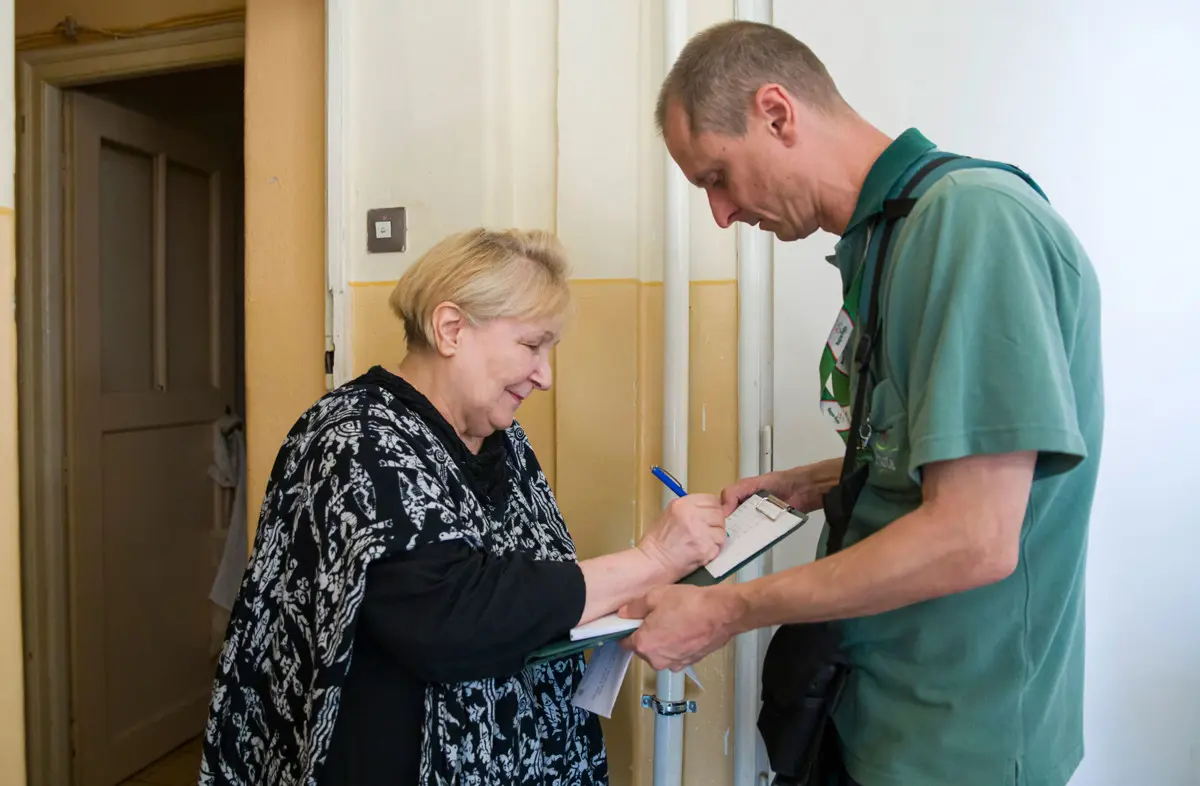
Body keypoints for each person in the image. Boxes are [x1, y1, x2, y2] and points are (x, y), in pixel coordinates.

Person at [622, 20, 1103, 786]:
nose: (721, 213)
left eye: (717, 176)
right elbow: (940, 447)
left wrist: (730, 610)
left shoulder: (971, 222)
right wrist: (817, 482)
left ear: (776, 114)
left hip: (954, 744)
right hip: (877, 707)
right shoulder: (889, 236)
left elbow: (973, 536)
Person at [198, 227, 728, 786]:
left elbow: (530, 585)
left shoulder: (501, 439)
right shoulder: (355, 439)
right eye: (532, 346)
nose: (545, 376)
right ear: (451, 329)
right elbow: (452, 617)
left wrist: (620, 601)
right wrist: (650, 560)